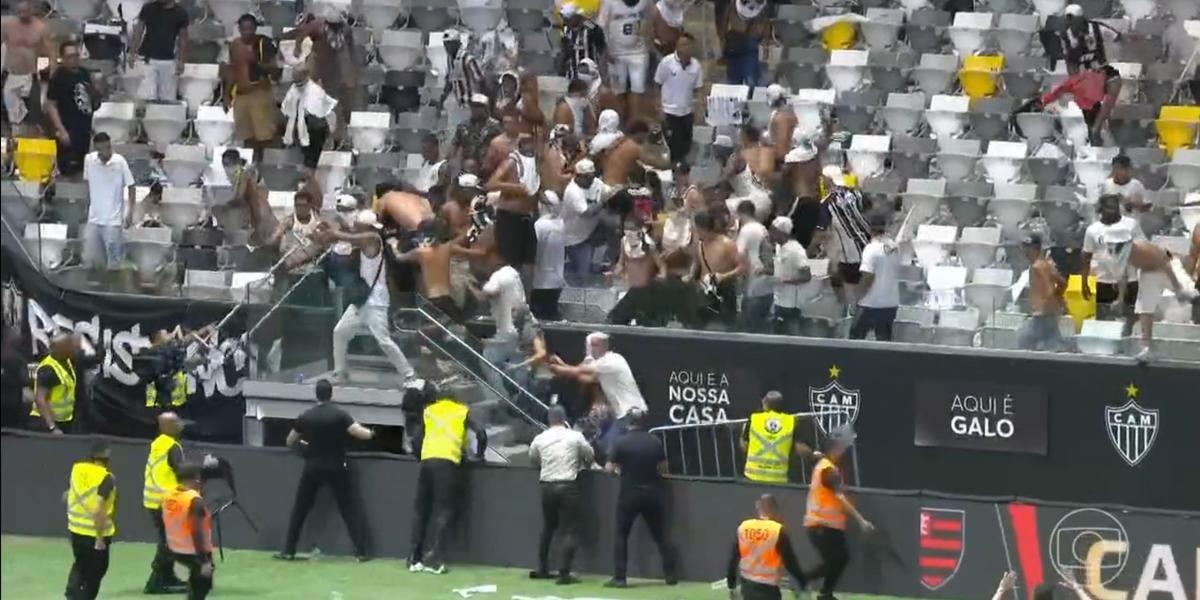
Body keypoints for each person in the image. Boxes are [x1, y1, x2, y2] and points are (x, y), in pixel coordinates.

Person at [276, 380, 373, 561]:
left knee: (300, 509)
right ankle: (361, 552)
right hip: (337, 466)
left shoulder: (306, 416)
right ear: (331, 394)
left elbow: (290, 441)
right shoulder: (340, 415)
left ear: (316, 394)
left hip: (313, 467)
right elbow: (359, 433)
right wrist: (373, 433)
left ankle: (289, 550)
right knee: (348, 509)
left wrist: (305, 447)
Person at [321, 210, 417, 383]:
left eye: (359, 225)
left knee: (384, 341)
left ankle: (409, 374)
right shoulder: (363, 240)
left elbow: (351, 237)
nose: (356, 228)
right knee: (340, 332)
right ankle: (340, 372)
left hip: (376, 301)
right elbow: (349, 238)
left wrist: (335, 233)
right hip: (361, 299)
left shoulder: (373, 239)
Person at [408, 391, 488, 574]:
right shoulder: (461, 411)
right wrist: (479, 456)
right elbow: (481, 434)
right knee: (443, 510)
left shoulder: (429, 411)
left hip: (427, 461)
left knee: (421, 510)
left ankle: (414, 557)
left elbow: (416, 440)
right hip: (447, 462)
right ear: (455, 399)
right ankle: (435, 559)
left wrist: (421, 457)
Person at [604, 410, 677, 588]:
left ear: (629, 423)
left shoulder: (621, 442)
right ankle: (670, 576)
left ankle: (620, 578)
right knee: (660, 536)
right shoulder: (655, 441)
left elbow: (609, 468)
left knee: (621, 536)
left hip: (629, 495)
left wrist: (619, 472)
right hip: (652, 493)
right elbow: (664, 469)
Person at [803, 428, 874, 600]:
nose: (846, 450)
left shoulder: (826, 465)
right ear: (837, 447)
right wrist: (861, 521)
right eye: (844, 446)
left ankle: (824, 593)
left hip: (829, 525)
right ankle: (804, 579)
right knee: (836, 560)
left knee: (839, 559)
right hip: (821, 525)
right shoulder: (828, 470)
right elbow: (840, 497)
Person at [528, 405, 595, 584]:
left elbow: (533, 458)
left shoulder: (540, 438)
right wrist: (584, 465)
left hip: (547, 486)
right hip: (568, 485)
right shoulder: (575, 436)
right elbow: (590, 455)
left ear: (549, 420)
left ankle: (543, 568)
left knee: (548, 527)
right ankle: (564, 573)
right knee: (570, 529)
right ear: (564, 419)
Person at [285, 10, 361, 132]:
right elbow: (301, 34)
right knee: (310, 90)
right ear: (327, 23)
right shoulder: (316, 25)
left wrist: (352, 66)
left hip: (333, 64)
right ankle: (306, 122)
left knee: (332, 96)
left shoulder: (346, 29)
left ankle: (335, 128)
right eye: (333, 26)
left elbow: (350, 47)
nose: (335, 28)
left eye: (337, 26)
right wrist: (297, 48)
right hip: (316, 60)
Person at [142, 412, 191, 593]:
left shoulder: (158, 443)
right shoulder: (172, 446)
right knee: (169, 543)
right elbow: (181, 471)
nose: (181, 424)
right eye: (176, 422)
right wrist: (203, 467)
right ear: (167, 426)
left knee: (169, 540)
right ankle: (156, 582)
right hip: (166, 502)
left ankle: (167, 577)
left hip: (153, 501)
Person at [1124, 239, 1198, 359]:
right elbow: (1121, 276)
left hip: (1168, 266)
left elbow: (1166, 266)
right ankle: (1147, 347)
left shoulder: (1144, 249)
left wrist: (1178, 289)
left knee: (1190, 293)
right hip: (1147, 272)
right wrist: (1120, 297)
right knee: (1144, 306)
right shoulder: (1115, 254)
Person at [726, 494, 809, 600]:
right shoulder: (778, 531)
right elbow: (791, 562)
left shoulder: (744, 527)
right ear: (774, 509)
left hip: (747, 585)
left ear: (758, 506)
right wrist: (802, 583)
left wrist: (731, 585)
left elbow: (734, 559)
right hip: (769, 587)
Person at [1081, 194, 1145, 332]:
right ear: (1101, 209)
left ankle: (1126, 345)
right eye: (1109, 207)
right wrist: (1084, 281)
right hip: (1104, 281)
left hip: (1130, 281)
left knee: (1128, 321)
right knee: (1103, 321)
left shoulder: (1130, 225)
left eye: (1115, 208)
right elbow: (1086, 257)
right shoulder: (1092, 230)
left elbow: (1143, 247)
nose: (1112, 211)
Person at [489, 133, 543, 288]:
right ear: (520, 145)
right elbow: (492, 184)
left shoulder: (536, 163)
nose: (530, 146)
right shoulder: (511, 162)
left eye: (532, 142)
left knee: (529, 265)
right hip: (509, 217)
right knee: (511, 264)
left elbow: (535, 187)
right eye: (526, 142)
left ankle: (526, 303)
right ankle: (509, 299)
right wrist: (515, 187)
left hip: (529, 216)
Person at [64, 439, 116, 600]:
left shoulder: (77, 469)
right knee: (96, 572)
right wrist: (99, 539)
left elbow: (73, 491)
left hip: (75, 529)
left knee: (80, 564)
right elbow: (99, 508)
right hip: (94, 533)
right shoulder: (106, 477)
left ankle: (71, 594)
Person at [813, 165, 871, 303]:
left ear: (828, 179)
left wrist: (811, 248)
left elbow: (820, 232)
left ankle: (849, 314)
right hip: (867, 248)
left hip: (850, 255)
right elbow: (869, 213)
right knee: (865, 292)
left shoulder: (827, 203)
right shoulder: (857, 194)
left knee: (851, 294)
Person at [82, 133, 137, 271]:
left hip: (113, 222)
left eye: (105, 149)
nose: (103, 153)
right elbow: (87, 183)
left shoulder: (120, 162)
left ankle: (113, 288)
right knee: (90, 261)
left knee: (114, 263)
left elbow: (131, 186)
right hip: (93, 219)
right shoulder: (89, 160)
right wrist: (86, 205)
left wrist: (130, 212)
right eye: (99, 149)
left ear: (110, 146)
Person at [46, 40, 101, 177]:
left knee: (82, 168)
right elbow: (51, 106)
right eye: (70, 56)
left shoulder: (84, 73)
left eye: (76, 55)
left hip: (84, 129)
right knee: (68, 170)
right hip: (68, 129)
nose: (74, 59)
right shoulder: (58, 77)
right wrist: (61, 130)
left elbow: (91, 99)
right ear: (63, 58)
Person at [161, 462, 215, 600]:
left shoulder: (168, 496)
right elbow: (196, 529)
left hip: (174, 549)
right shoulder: (194, 500)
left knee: (195, 587)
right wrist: (204, 560)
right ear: (195, 479)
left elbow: (161, 520)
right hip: (194, 551)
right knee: (201, 588)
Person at [229, 14, 281, 156]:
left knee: (263, 136)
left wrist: (255, 61)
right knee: (245, 135)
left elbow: (275, 71)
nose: (247, 32)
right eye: (243, 29)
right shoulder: (235, 45)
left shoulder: (264, 43)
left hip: (259, 93)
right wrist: (226, 94)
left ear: (256, 28)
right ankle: (249, 162)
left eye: (250, 29)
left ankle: (261, 163)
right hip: (240, 95)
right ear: (239, 29)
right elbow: (232, 70)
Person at [2, 0, 56, 132]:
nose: (22, 15)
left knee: (33, 112)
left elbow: (48, 53)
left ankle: (29, 134)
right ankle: (11, 136)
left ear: (32, 11)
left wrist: (49, 76)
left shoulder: (40, 28)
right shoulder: (7, 25)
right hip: (10, 73)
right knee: (9, 112)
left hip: (30, 74)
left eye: (25, 12)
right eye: (20, 12)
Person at [741, 391, 816, 484]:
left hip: (752, 477)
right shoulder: (790, 421)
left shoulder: (754, 419)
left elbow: (744, 447)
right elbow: (800, 449)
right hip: (778, 480)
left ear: (765, 404)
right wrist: (813, 456)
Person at [849, 214, 901, 341]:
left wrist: (856, 298)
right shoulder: (895, 248)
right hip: (890, 303)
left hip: (870, 304)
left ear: (869, 229)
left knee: (855, 341)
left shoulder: (871, 249)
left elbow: (867, 277)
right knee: (883, 343)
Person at [128, 0, 190, 103]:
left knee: (167, 99)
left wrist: (181, 60)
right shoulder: (148, 8)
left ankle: (162, 118)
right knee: (147, 97)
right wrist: (132, 52)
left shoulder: (181, 13)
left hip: (169, 60)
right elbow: (139, 30)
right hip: (148, 58)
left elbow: (183, 38)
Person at [654, 32, 703, 163]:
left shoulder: (696, 66)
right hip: (669, 112)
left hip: (687, 112)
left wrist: (698, 110)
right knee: (673, 146)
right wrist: (660, 109)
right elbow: (657, 84)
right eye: (681, 45)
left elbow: (698, 90)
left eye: (687, 45)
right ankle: (673, 173)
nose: (683, 48)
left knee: (687, 145)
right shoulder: (667, 62)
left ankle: (683, 174)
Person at [561, 159, 612, 284]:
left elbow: (608, 191)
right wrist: (603, 202)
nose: (591, 181)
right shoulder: (572, 191)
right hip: (575, 238)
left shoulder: (596, 183)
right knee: (583, 274)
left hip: (592, 231)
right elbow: (586, 213)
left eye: (592, 177)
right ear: (578, 176)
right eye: (587, 178)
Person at [597, 0, 649, 119]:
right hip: (616, 53)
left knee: (638, 88)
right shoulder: (609, 2)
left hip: (638, 52)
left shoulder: (645, 2)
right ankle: (620, 122)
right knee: (618, 90)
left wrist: (648, 42)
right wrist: (606, 50)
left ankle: (633, 122)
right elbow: (601, 26)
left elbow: (649, 22)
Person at [280, 64, 338, 170]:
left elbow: (325, 111)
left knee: (313, 158)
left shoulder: (315, 91)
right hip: (297, 129)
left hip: (315, 128)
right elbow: (286, 109)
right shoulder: (293, 89)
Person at [694, 211, 745, 330]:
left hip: (724, 292)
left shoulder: (727, 244)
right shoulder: (700, 245)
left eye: (697, 229)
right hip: (705, 292)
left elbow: (742, 267)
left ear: (704, 229)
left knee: (723, 329)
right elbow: (697, 264)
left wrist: (723, 276)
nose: (695, 232)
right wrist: (691, 275)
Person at [1018, 234, 1067, 352]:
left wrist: (1045, 306)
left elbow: (1049, 288)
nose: (1025, 251)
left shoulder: (1036, 267)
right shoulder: (1046, 264)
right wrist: (1059, 300)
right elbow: (1062, 282)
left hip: (1042, 315)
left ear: (1036, 249)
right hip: (1049, 314)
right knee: (1052, 344)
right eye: (1024, 247)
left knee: (1024, 339)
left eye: (1028, 248)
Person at [29, 333, 87, 434]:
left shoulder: (67, 361)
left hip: (64, 421)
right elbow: (40, 399)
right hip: (46, 423)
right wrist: (52, 427)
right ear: (61, 350)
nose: (73, 348)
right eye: (70, 346)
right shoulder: (48, 370)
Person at [220, 148, 277, 245]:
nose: (228, 174)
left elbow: (239, 197)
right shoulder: (240, 172)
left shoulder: (245, 173)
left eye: (229, 169)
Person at [736, 200, 774, 333]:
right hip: (766, 286)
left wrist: (740, 281)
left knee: (749, 331)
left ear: (740, 214)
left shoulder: (746, 230)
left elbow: (740, 255)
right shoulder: (763, 229)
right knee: (763, 330)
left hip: (753, 286)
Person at [719, 128, 773, 221]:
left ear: (744, 138)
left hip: (752, 202)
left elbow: (724, 179)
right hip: (767, 201)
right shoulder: (764, 154)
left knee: (718, 209)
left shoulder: (738, 157)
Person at [769, 216, 811, 335]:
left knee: (793, 334)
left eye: (773, 230)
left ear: (781, 232)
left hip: (791, 303)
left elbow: (806, 276)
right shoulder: (779, 248)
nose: (770, 233)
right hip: (778, 300)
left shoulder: (796, 250)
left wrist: (784, 281)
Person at [602, 118, 670, 186]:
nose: (645, 139)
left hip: (605, 184)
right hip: (615, 187)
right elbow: (657, 163)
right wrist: (674, 165)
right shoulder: (634, 146)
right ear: (640, 133)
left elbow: (629, 164)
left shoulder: (619, 142)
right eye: (645, 136)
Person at [720, 0, 770, 86]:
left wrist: (765, 43)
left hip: (751, 42)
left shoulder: (761, 6)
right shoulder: (733, 4)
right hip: (735, 41)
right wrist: (723, 38)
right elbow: (725, 20)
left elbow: (766, 22)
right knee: (733, 79)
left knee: (750, 77)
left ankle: (751, 93)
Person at [533, 194, 567, 320]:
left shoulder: (540, 225)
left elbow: (535, 251)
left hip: (541, 281)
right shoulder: (561, 225)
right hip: (557, 280)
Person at [559, 4, 607, 82]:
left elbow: (602, 49)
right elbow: (564, 49)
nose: (566, 22)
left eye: (568, 19)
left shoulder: (592, 29)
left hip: (590, 73)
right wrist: (562, 67)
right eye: (564, 19)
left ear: (576, 16)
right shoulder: (565, 29)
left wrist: (603, 70)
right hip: (572, 74)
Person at [454, 94, 503, 167]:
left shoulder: (494, 126)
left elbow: (501, 146)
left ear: (485, 108)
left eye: (479, 107)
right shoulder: (463, 126)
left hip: (488, 166)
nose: (475, 110)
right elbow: (455, 145)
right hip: (468, 166)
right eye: (473, 106)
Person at [414, 134, 449, 199]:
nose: (423, 152)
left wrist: (415, 192)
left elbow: (437, 194)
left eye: (425, 149)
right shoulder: (425, 163)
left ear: (435, 148)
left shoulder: (442, 167)